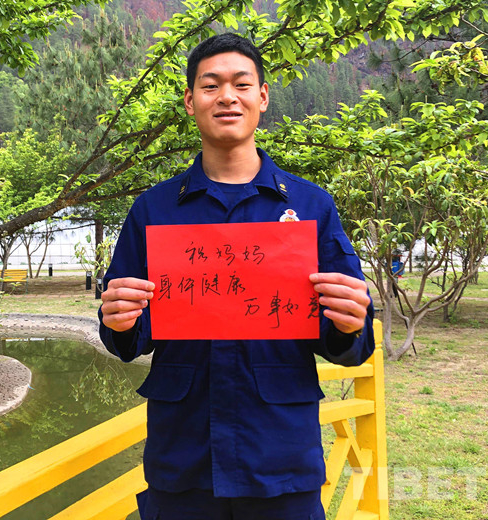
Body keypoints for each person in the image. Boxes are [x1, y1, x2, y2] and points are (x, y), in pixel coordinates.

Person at [99, 33, 375, 520]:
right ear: (190, 101)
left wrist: (351, 323)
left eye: (241, 84)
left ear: (262, 97)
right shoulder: (154, 210)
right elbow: (127, 339)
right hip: (182, 460)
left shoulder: (310, 206)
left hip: (280, 458)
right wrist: (118, 321)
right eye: (211, 86)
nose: (227, 96)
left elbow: (351, 344)